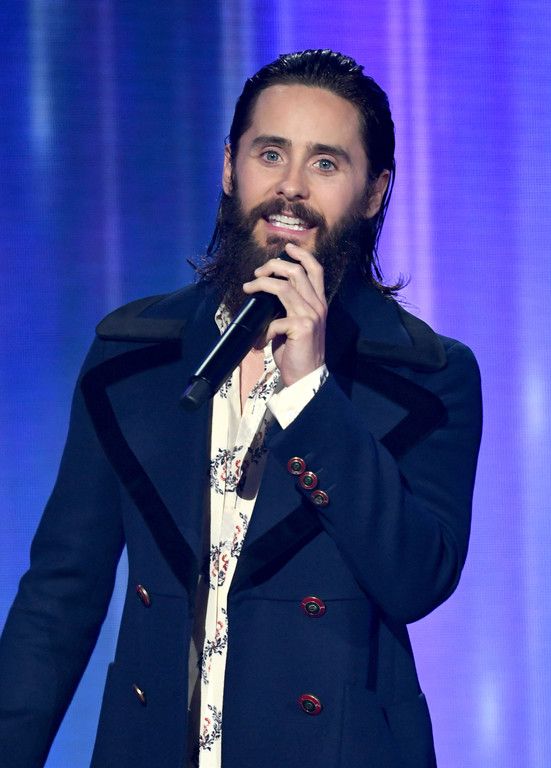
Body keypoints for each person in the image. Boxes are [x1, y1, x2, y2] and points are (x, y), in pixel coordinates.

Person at [0, 49, 482, 768]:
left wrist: (310, 391)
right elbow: (58, 597)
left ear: (373, 192)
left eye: (325, 163)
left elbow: (415, 578)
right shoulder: (130, 356)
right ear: (230, 168)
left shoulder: (428, 376)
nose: (290, 187)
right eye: (270, 154)